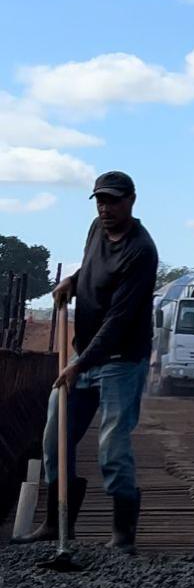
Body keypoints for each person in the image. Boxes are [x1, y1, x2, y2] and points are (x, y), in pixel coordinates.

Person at [12, 171, 158, 554]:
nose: (105, 208)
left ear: (132, 200)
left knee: (112, 445)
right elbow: (92, 269)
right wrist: (72, 283)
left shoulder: (141, 251)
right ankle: (57, 524)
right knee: (54, 436)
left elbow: (119, 320)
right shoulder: (97, 228)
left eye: (113, 201)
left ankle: (123, 536)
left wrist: (79, 364)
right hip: (84, 354)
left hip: (121, 360)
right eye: (100, 201)